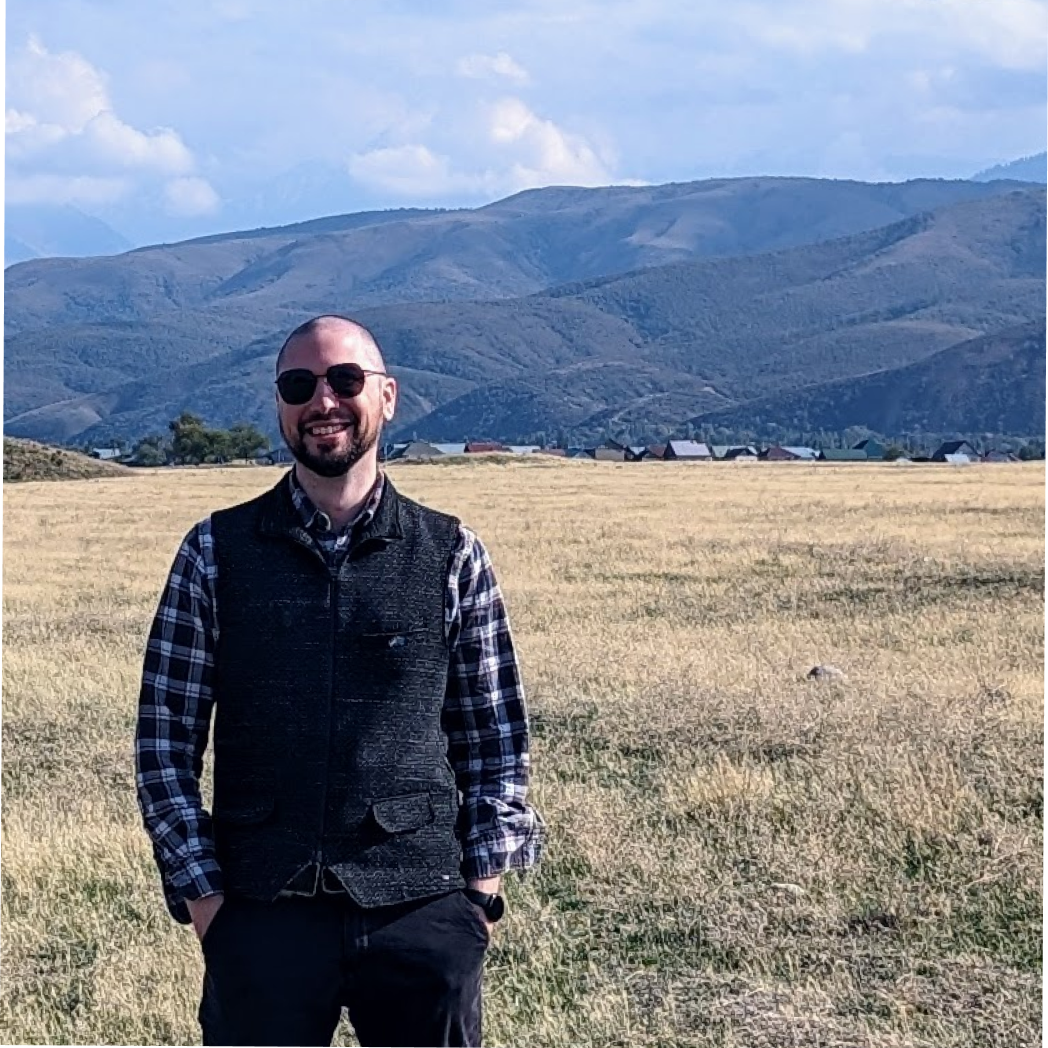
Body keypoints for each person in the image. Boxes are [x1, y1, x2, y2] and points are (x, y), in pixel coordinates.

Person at [135, 314, 544, 1048]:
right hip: (260, 916)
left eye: (345, 380)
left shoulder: (452, 553)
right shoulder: (213, 553)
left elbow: (496, 740)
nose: (322, 400)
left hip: (422, 912)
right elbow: (164, 745)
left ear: (388, 397)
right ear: (281, 405)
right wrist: (207, 903)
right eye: (300, 385)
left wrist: (477, 903)